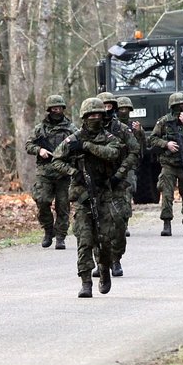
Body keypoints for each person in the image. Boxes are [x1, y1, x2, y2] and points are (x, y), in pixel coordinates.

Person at [50, 98, 123, 298]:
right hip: (82, 197)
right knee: (84, 240)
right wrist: (73, 172)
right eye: (91, 115)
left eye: (98, 115)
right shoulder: (73, 140)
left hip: (104, 196)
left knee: (106, 240)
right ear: (84, 117)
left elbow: (114, 154)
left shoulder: (109, 138)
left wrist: (88, 147)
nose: (95, 118)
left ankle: (104, 269)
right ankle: (86, 282)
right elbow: (56, 160)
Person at [93, 91, 139, 277]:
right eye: (101, 106)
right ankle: (101, 261)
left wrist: (120, 173)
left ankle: (116, 258)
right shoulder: (86, 131)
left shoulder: (120, 128)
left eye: (109, 106)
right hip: (96, 183)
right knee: (97, 224)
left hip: (118, 181)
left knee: (119, 222)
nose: (105, 109)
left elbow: (134, 150)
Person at [148, 92, 183, 236]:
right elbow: (152, 139)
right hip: (169, 164)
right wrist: (166, 144)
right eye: (177, 105)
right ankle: (167, 223)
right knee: (167, 195)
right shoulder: (163, 122)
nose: (180, 108)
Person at [25, 94, 77, 250]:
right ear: (49, 110)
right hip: (45, 172)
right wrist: (39, 150)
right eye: (54, 108)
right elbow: (28, 145)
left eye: (59, 108)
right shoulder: (40, 129)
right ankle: (48, 230)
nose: (57, 111)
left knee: (63, 206)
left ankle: (60, 237)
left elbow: (79, 144)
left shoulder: (71, 128)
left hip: (63, 173)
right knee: (41, 201)